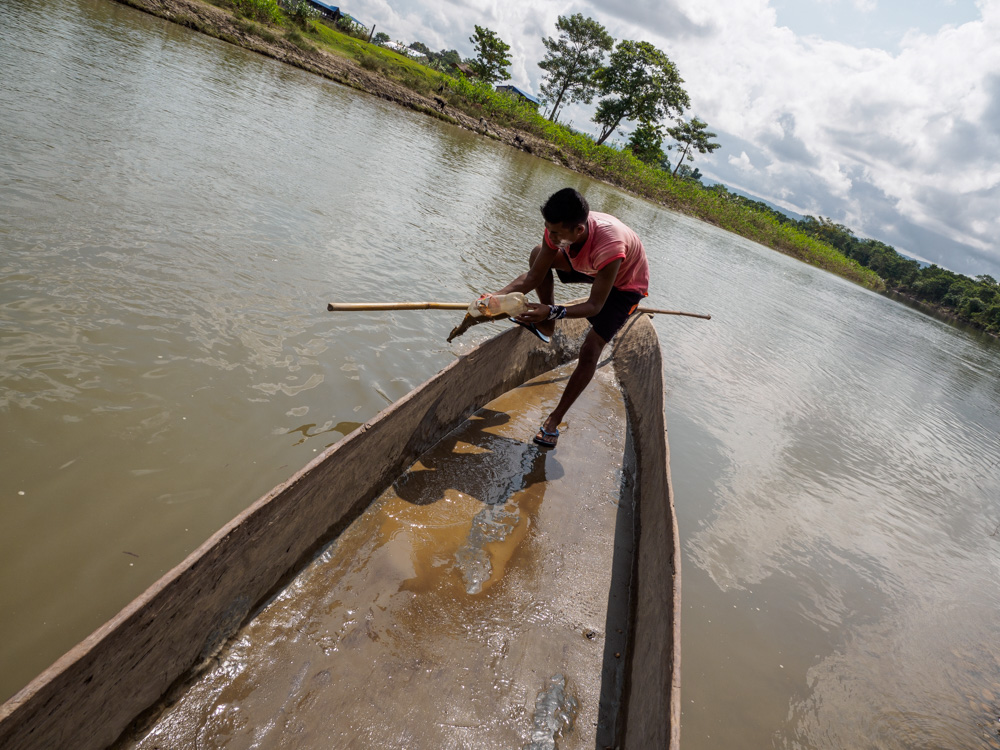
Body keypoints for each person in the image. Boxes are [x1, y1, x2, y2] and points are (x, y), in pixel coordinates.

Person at [491, 187, 649, 448]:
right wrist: (496, 298)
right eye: (548, 230)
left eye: (556, 233)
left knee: (590, 348)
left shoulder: (610, 245)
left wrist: (555, 309)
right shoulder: (560, 231)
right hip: (590, 265)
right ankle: (547, 325)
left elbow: (595, 305)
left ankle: (554, 421)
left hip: (625, 285)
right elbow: (533, 277)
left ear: (579, 230)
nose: (551, 237)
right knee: (536, 255)